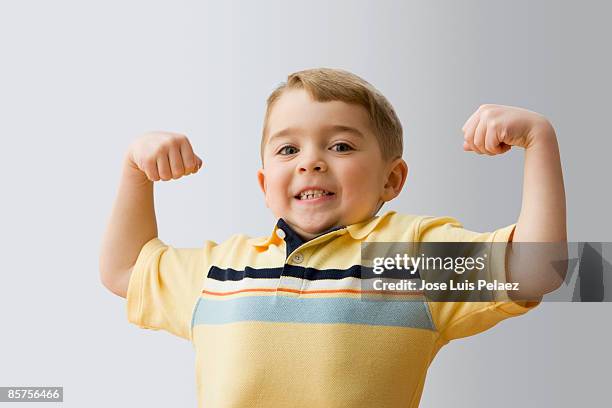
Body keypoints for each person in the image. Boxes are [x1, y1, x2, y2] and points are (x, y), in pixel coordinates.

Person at [99, 67, 566, 407]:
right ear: (265, 186)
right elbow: (123, 270)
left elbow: (541, 268)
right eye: (288, 148)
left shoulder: (404, 259)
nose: (311, 161)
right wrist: (134, 172)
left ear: (392, 180)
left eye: (340, 145)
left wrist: (540, 140)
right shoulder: (220, 272)